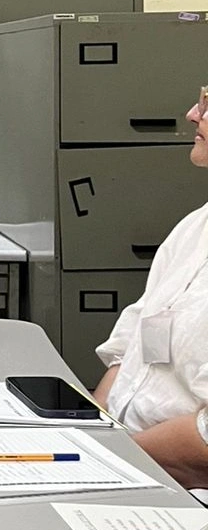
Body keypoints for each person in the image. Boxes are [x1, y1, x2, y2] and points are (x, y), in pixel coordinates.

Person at [92, 86, 208, 493]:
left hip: (178, 488)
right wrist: (94, 428)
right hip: (125, 459)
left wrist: (111, 459)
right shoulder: (197, 225)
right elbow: (133, 342)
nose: (192, 114)